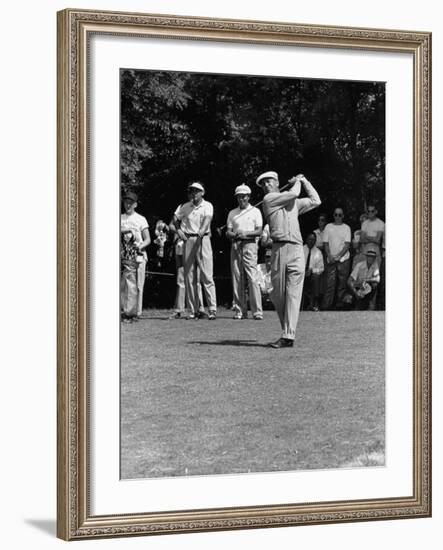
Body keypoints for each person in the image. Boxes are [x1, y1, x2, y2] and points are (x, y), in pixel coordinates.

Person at [257, 171, 321, 348]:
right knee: (277, 295)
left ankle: (288, 336)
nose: (266, 185)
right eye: (263, 184)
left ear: (277, 182)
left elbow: (316, 200)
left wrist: (305, 180)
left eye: (269, 182)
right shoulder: (269, 200)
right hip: (278, 249)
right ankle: (287, 330)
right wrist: (298, 181)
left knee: (293, 294)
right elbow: (293, 193)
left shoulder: (294, 203)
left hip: (296, 249)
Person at [172, 182, 217, 320]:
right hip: (188, 240)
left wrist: (201, 232)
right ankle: (193, 310)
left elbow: (207, 220)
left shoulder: (207, 205)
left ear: (202, 192)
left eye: (197, 191)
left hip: (203, 239)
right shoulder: (185, 207)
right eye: (192, 191)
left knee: (207, 275)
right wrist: (179, 231)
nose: (194, 193)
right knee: (189, 276)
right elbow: (175, 218)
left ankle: (212, 309)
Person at [226, 184, 263, 320]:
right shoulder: (232, 213)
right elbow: (228, 231)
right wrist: (234, 235)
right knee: (237, 278)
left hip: (250, 245)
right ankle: (240, 310)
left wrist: (245, 234)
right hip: (235, 245)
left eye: (244, 196)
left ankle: (257, 311)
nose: (241, 199)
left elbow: (259, 231)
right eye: (239, 196)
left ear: (248, 196)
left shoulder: (255, 211)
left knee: (252, 277)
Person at [120, 190, 151, 320]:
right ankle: (125, 311)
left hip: (138, 254)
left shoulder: (141, 219)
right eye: (126, 202)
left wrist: (139, 246)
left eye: (130, 202)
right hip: (123, 255)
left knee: (138, 285)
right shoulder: (119, 218)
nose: (128, 205)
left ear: (135, 205)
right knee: (124, 284)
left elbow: (148, 239)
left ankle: (136, 313)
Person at [168, 214, 205, 319]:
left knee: (196, 278)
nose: (191, 197)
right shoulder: (181, 209)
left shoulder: (201, 209)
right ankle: (179, 309)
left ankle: (200, 308)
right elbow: (171, 225)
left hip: (196, 245)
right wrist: (179, 231)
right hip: (180, 246)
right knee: (181, 278)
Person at [347, 244, 380, 310]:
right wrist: (356, 292)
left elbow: (377, 279)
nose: (371, 258)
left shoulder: (375, 265)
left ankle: (368, 303)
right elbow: (349, 281)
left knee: (374, 285)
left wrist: (366, 280)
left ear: (374, 258)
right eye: (369, 257)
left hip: (367, 287)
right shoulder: (359, 265)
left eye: (372, 257)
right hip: (357, 287)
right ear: (366, 257)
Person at [302, 232, 324, 311]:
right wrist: (303, 271)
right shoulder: (300, 250)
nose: (311, 241)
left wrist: (312, 270)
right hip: (301, 274)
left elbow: (321, 268)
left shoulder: (318, 252)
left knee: (316, 277)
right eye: (310, 239)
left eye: (313, 240)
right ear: (306, 240)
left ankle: (314, 303)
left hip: (312, 275)